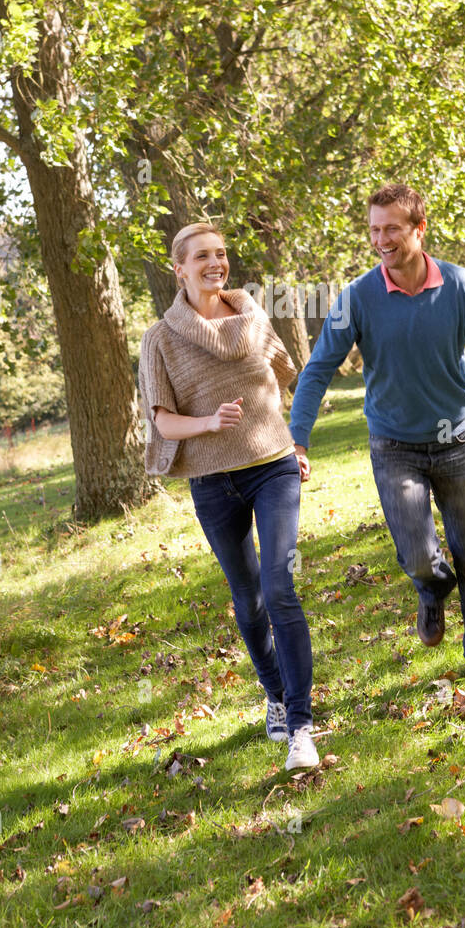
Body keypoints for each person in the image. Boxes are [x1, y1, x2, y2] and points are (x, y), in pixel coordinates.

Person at [288, 183, 465, 679]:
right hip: (394, 444)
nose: (382, 239)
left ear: (419, 230)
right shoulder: (357, 297)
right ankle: (430, 589)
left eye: (393, 229)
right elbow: (317, 369)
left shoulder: (461, 286)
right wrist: (298, 437)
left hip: (458, 442)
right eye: (375, 229)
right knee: (421, 557)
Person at [137, 222, 318, 771]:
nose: (216, 263)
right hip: (214, 483)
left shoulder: (253, 315)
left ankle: (302, 725)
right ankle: (275, 696)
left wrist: (292, 440)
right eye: (202, 257)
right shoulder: (161, 338)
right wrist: (210, 422)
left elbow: (284, 376)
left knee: (280, 584)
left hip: (273, 468)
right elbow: (163, 423)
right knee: (248, 598)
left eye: (221, 254)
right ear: (180, 269)